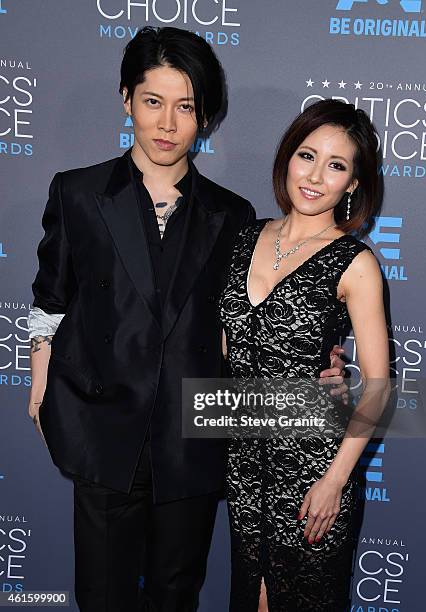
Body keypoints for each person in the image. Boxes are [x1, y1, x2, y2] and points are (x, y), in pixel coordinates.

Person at [28, 27, 346, 612]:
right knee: (101, 595)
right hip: (101, 426)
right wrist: (38, 380)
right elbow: (52, 297)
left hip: (193, 436)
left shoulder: (232, 214)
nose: (168, 124)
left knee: (177, 594)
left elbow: (250, 315)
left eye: (186, 107)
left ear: (206, 116)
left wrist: (318, 361)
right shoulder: (77, 193)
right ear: (126, 98)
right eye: (153, 102)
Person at [220, 99, 390, 611]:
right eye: (306, 156)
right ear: (287, 159)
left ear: (353, 183)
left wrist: (335, 481)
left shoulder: (355, 263)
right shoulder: (245, 236)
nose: (315, 176)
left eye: (336, 165)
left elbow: (380, 387)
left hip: (312, 468)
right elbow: (226, 351)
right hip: (244, 464)